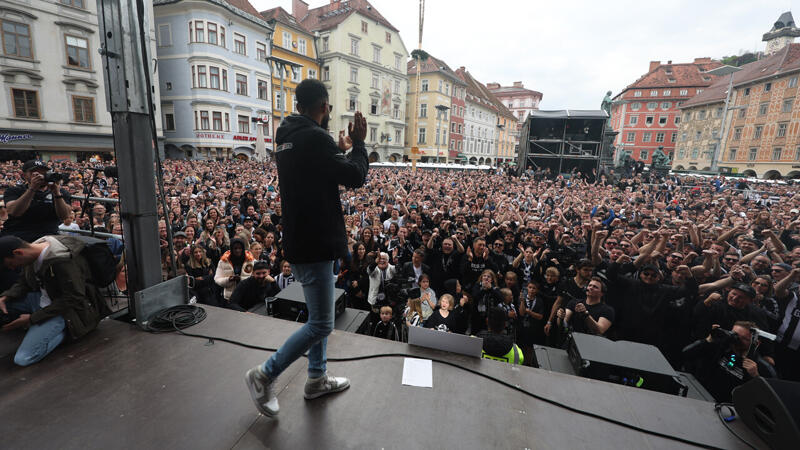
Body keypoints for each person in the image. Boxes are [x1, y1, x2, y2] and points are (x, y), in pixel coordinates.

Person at [245, 79, 368, 418]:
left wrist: (337, 149)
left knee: (319, 317)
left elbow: (316, 170)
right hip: (316, 242)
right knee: (321, 324)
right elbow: (355, 177)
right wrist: (358, 145)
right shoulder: (315, 138)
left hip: (302, 239)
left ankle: (316, 377)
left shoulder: (287, 136)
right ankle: (264, 374)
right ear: (324, 107)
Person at [0, 235, 108, 366]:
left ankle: (67, 331)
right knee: (3, 304)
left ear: (18, 252)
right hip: (44, 300)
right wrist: (7, 296)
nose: (12, 268)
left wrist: (32, 319)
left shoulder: (63, 261)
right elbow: (24, 282)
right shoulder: (34, 251)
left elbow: (73, 298)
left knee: (23, 358)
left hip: (67, 311)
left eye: (11, 264)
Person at [683, 321, 776, 402]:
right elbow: (686, 354)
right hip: (701, 394)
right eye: (734, 334)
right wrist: (708, 340)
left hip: (727, 406)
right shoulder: (721, 347)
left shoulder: (762, 367)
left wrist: (755, 377)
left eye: (743, 338)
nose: (737, 339)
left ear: (756, 343)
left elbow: (768, 398)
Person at [0, 160, 71, 242]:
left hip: (49, 236)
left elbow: (65, 216)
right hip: (17, 234)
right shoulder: (14, 190)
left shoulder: (60, 192)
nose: (41, 176)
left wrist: (56, 194)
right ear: (24, 175)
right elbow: (14, 212)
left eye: (44, 173)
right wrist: (32, 189)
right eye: (35, 173)